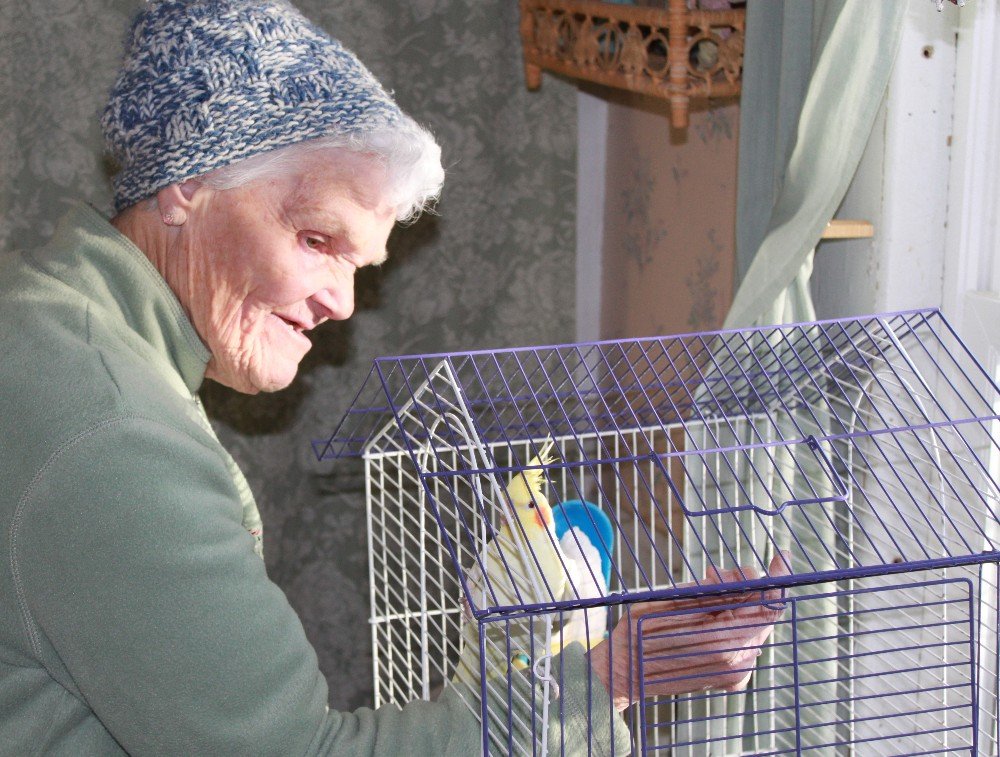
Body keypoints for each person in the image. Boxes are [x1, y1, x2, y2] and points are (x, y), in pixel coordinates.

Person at [0, 1, 786, 754]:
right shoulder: (116, 435)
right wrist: (612, 675)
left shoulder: (46, 319)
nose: (340, 301)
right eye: (314, 238)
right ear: (187, 185)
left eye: (358, 265)